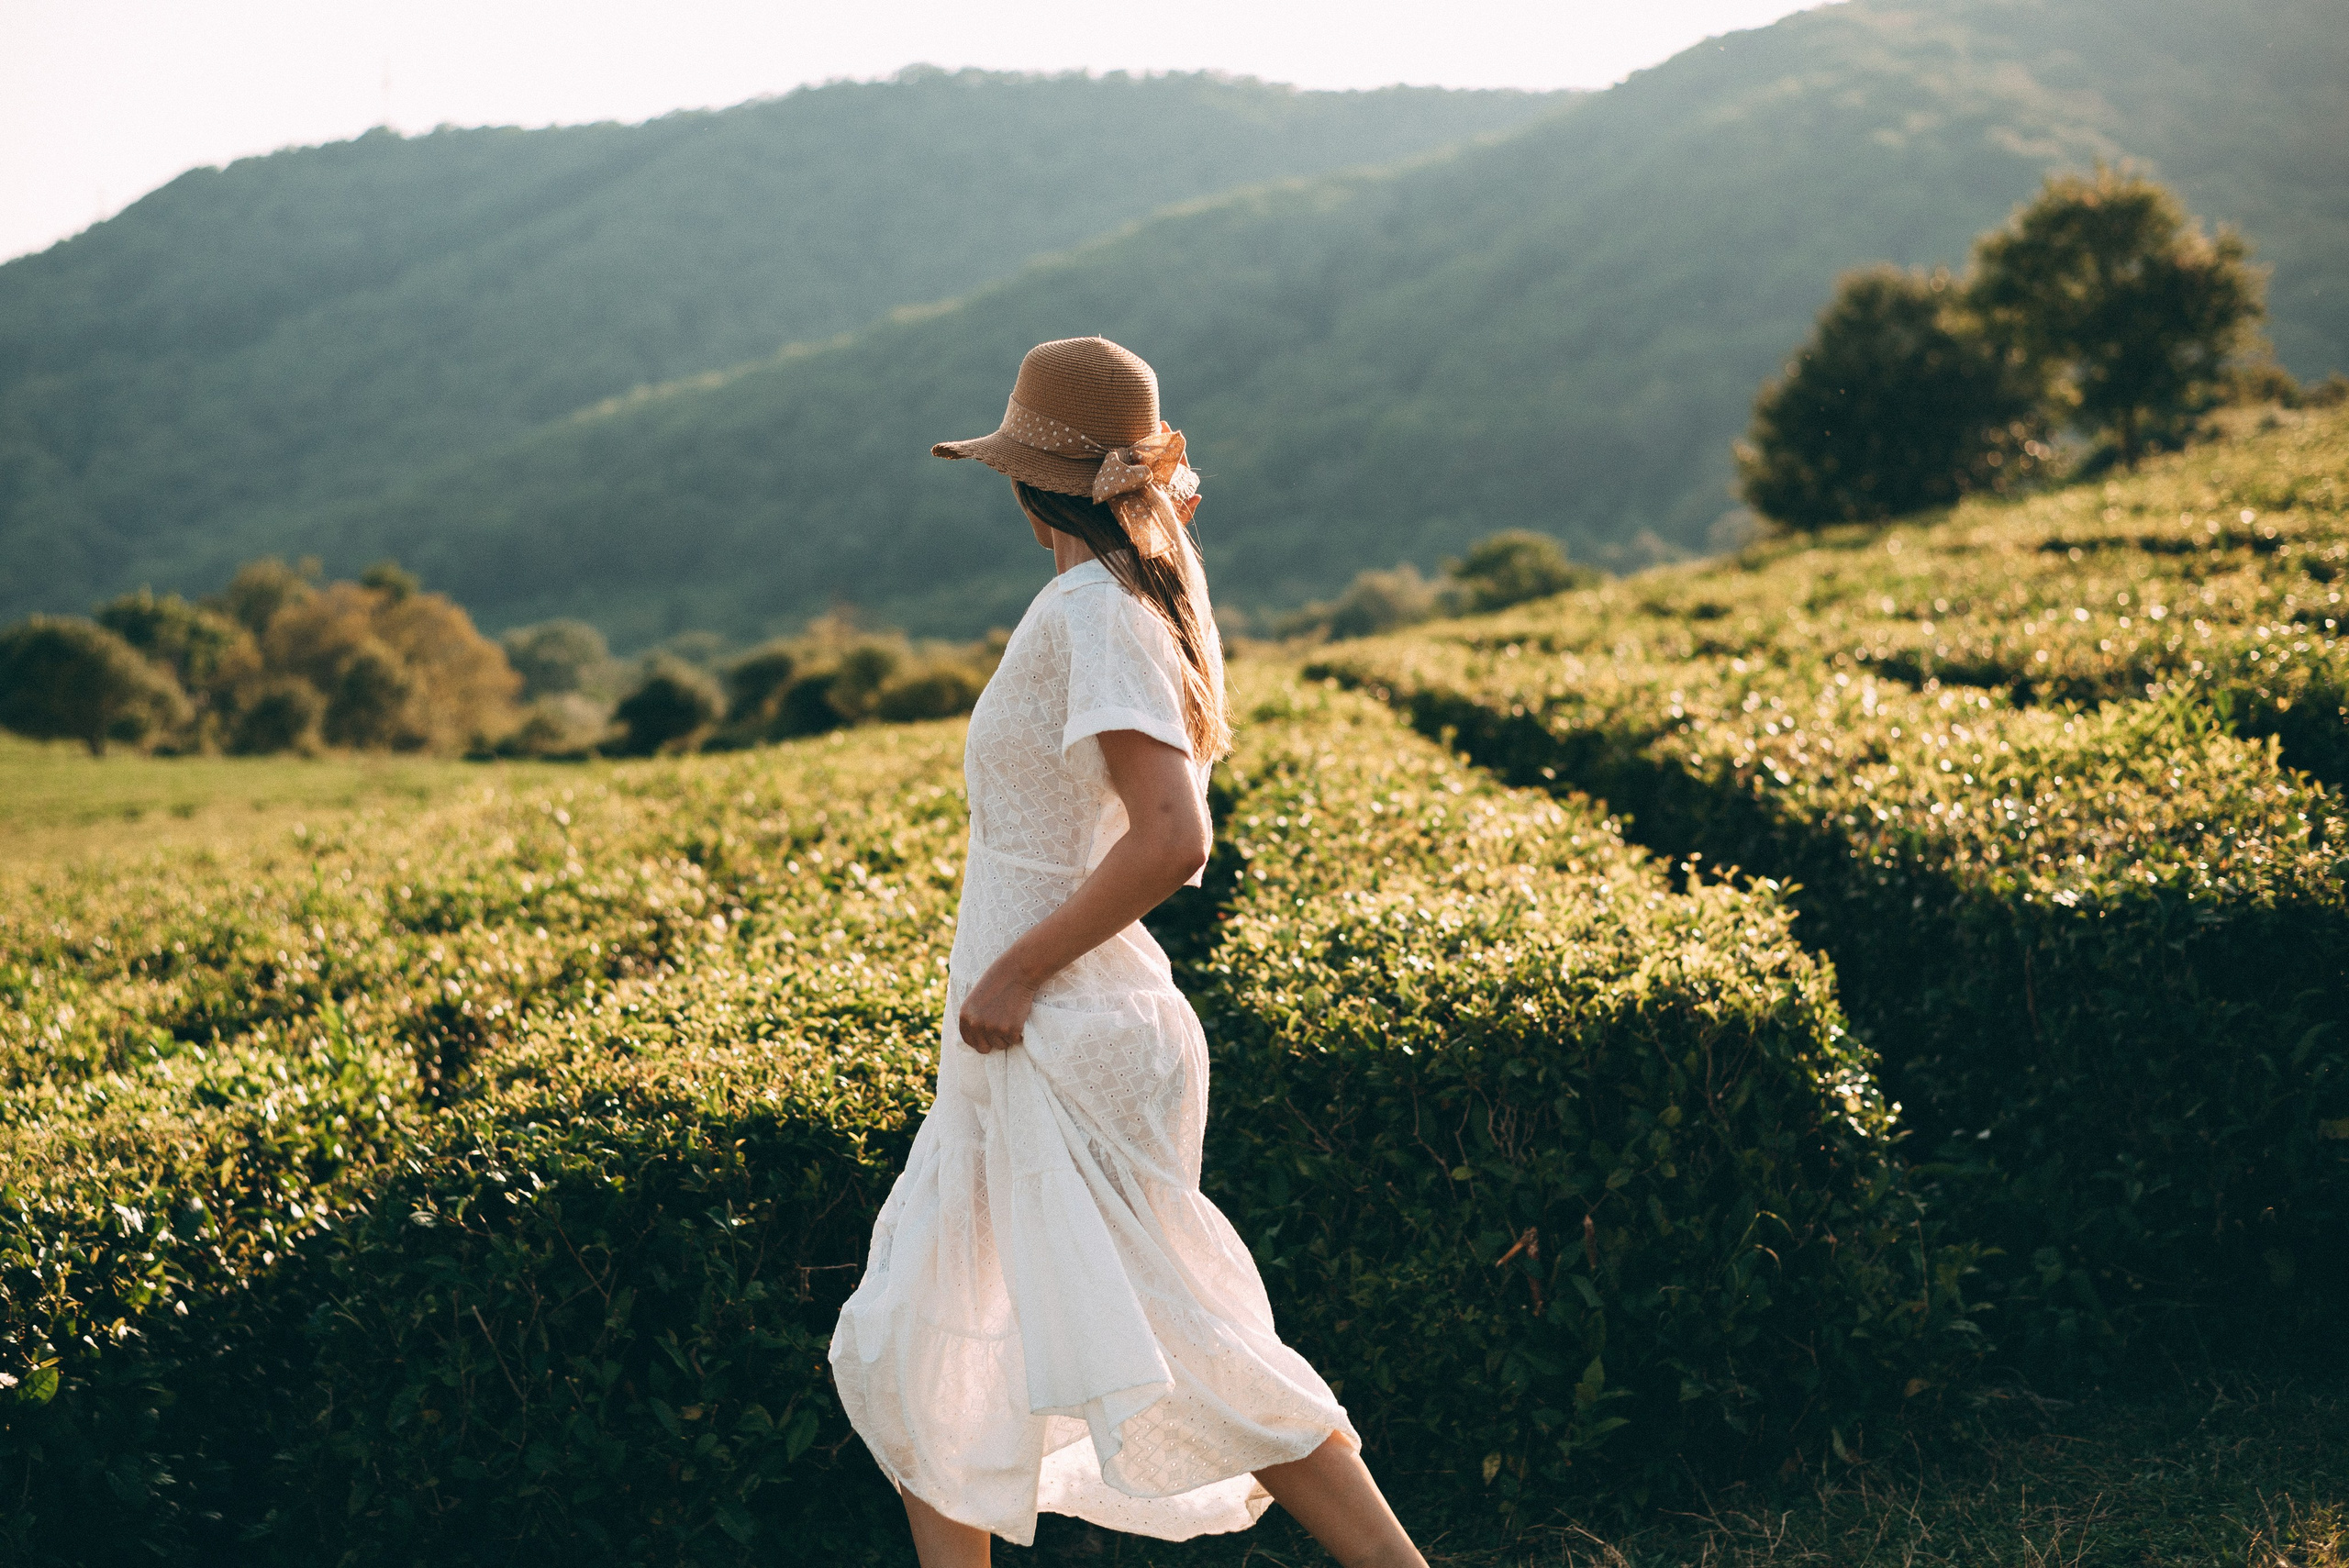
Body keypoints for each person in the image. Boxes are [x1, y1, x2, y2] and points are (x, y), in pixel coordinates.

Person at [828, 338, 1427, 1568]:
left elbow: (1172, 837)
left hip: (1057, 1032)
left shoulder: (1093, 609)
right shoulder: (1120, 601)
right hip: (1037, 1039)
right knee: (921, 1340)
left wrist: (1013, 971)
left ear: (1018, 481)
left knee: (1201, 1348)